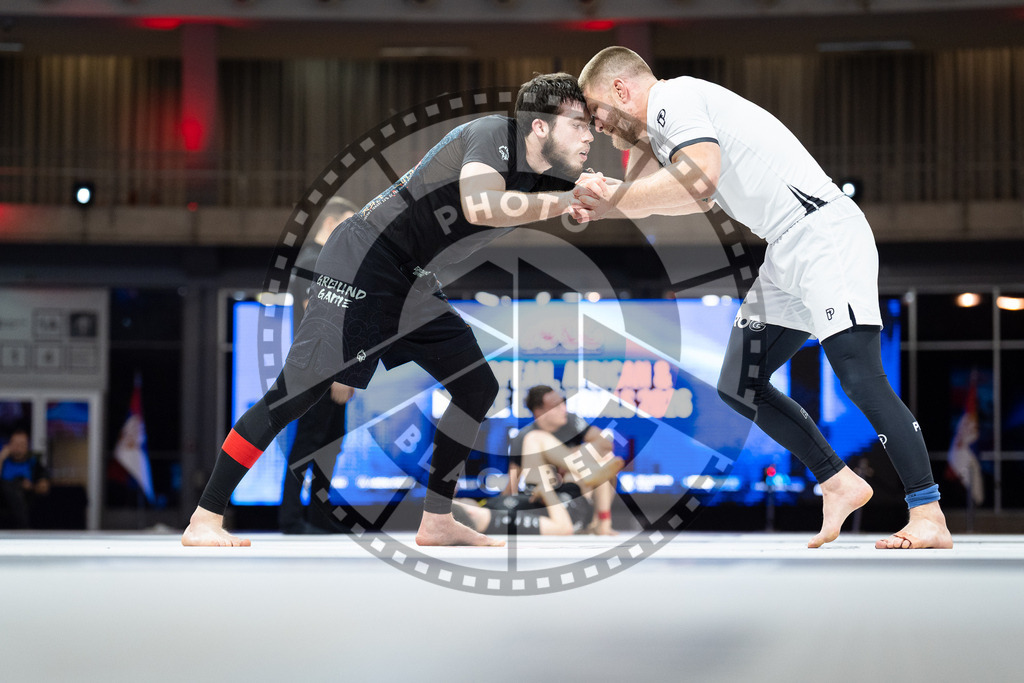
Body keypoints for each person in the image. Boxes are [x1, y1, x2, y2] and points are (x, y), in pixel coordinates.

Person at [182, 72, 596, 547]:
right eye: (579, 123)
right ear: (539, 126)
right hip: (363, 257)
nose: (590, 135)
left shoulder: (550, 175)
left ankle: (437, 520)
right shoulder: (492, 135)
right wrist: (565, 200)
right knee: (295, 394)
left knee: (476, 386)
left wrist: (600, 195)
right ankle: (205, 516)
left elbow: (579, 199)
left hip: (412, 279)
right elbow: (482, 205)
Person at [575, 46, 952, 549]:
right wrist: (611, 201)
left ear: (622, 90)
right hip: (785, 249)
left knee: (859, 374)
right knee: (740, 381)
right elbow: (689, 195)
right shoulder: (667, 128)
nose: (598, 127)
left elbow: (698, 179)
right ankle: (838, 482)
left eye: (597, 113)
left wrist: (614, 199)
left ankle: (927, 512)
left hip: (822, 234)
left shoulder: (674, 97)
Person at [279, 196, 360, 534]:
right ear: (331, 223)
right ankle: (293, 518)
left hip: (323, 368)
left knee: (329, 441)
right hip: (318, 369)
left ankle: (316, 516)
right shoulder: (315, 262)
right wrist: (339, 374)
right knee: (310, 442)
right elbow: (323, 321)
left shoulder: (323, 262)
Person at [505, 385, 623, 534]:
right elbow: (512, 483)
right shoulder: (524, 436)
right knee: (535, 439)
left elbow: (605, 444)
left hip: (572, 495)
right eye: (556, 406)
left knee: (604, 458)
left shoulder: (571, 421)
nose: (563, 409)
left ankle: (601, 523)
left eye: (563, 402)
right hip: (545, 498)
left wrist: (568, 456)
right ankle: (587, 473)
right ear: (539, 412)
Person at [0, 428, 50, 529]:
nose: (18, 448)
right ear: (9, 445)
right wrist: (1, 457)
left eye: (22, 444)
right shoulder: (4, 462)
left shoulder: (33, 463)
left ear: (27, 446)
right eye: (16, 444)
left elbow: (44, 488)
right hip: (3, 506)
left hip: (27, 504)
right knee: (8, 486)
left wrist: (31, 487)